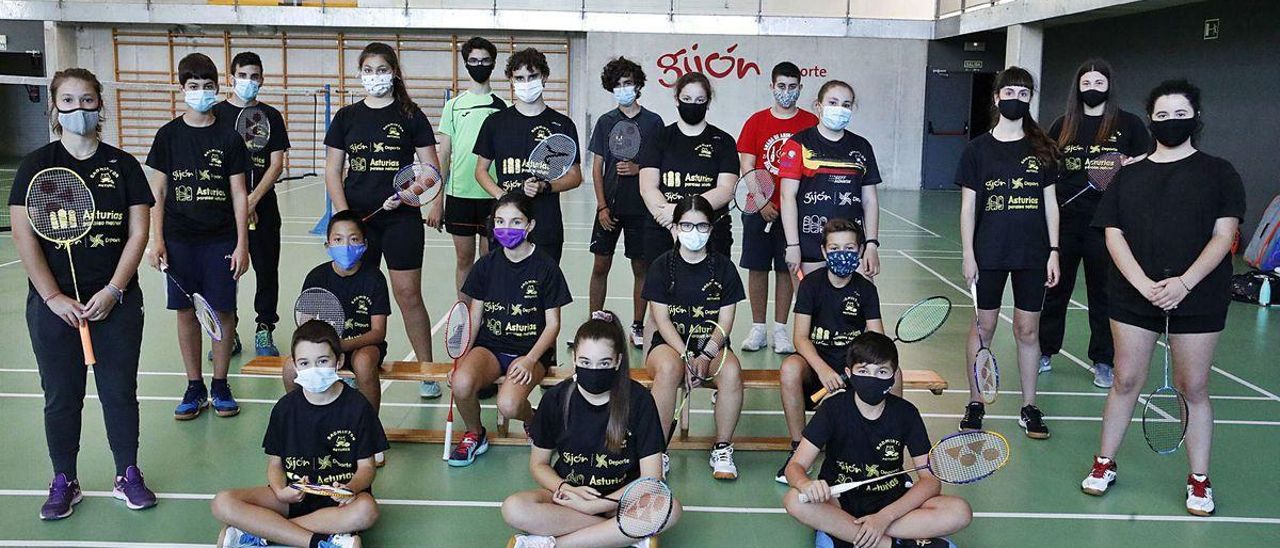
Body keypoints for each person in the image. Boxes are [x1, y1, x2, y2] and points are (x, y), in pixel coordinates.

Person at [1082, 79, 1244, 517]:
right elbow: (1112, 233)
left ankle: (1199, 479)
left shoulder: (1220, 171)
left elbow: (1224, 235)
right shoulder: (1129, 175)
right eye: (1162, 115)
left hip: (1198, 295)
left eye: (1180, 114)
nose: (1171, 121)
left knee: (1194, 388)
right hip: (1134, 296)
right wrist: (1140, 283)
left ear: (1196, 117)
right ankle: (1104, 462)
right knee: (1125, 380)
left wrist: (1184, 284)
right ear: (1150, 120)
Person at [10, 67, 158, 520]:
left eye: (88, 100)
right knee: (61, 394)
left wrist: (115, 289)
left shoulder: (123, 165)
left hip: (115, 303)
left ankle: (127, 472)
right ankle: (64, 479)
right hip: (55, 309)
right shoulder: (37, 166)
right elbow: (24, 235)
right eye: (69, 101)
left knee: (119, 391)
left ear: (100, 106)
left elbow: (138, 232)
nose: (79, 109)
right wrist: (53, 297)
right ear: (55, 108)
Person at [502, 311, 680, 548]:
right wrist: (564, 489)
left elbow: (651, 477)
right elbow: (538, 464)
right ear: (575, 358)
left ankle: (555, 544)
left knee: (670, 510)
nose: (593, 370)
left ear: (617, 361)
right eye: (585, 362)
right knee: (514, 508)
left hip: (622, 499)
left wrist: (600, 504)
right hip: (569, 498)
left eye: (604, 363)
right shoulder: (555, 399)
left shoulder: (639, 400)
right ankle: (624, 534)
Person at [323, 42, 440, 397]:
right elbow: (332, 171)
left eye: (382, 70)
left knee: (407, 294)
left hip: (401, 220)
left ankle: (427, 370)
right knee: (357, 293)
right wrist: (345, 219)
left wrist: (412, 193)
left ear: (394, 73)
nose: (375, 77)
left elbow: (432, 170)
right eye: (368, 70)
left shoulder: (410, 114)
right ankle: (350, 363)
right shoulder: (346, 117)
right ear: (361, 74)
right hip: (358, 223)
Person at [782, 333, 972, 548]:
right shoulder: (832, 410)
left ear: (893, 377)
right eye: (863, 371)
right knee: (794, 500)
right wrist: (805, 483)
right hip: (841, 502)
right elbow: (795, 466)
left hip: (892, 501)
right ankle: (894, 544)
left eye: (881, 371)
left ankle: (849, 533)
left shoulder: (906, 413)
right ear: (848, 373)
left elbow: (930, 480)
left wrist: (884, 518)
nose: (872, 378)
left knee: (959, 511)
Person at [212, 320, 386, 548]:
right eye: (305, 363)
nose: (313, 369)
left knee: (367, 510)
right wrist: (279, 491)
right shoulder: (284, 409)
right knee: (222, 502)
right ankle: (321, 541)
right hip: (293, 497)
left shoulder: (358, 407)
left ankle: (264, 532)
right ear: (294, 365)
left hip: (340, 501)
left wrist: (350, 488)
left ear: (339, 360)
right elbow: (275, 464)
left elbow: (367, 468)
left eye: (322, 361)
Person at [955, 66, 1060, 440]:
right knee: (983, 326)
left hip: (1032, 253)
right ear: (997, 98)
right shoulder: (977, 150)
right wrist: (968, 252)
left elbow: (1051, 204)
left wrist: (1053, 250)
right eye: (1010, 91)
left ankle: (1029, 406)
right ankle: (976, 401)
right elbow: (968, 207)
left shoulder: (1043, 148)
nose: (1017, 97)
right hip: (989, 250)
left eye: (1024, 92)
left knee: (1027, 329)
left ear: (1030, 98)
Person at [147, 52, 250, 420]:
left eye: (207, 86)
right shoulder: (168, 136)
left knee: (223, 312)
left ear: (217, 88)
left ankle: (220, 383)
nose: (201, 92)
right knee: (186, 313)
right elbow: (156, 193)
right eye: (193, 86)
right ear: (182, 89)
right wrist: (155, 240)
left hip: (221, 240)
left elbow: (240, 194)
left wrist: (243, 242)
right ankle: (194, 385)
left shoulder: (229, 138)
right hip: (179, 240)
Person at [1040, 59, 1149, 389]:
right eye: (1085, 84)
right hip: (1066, 220)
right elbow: (1048, 166)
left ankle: (1103, 359)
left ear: (1108, 86)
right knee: (1055, 289)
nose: (1092, 89)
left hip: (1108, 224)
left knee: (1103, 293)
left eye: (1098, 83)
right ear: (1078, 88)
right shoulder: (1063, 124)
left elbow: (1150, 157)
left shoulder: (1127, 124)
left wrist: (1130, 164)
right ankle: (1044, 351)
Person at [447, 193, 573, 467]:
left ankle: (533, 420)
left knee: (509, 405)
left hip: (530, 352)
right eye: (501, 221)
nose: (508, 228)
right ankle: (475, 432)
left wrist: (529, 360)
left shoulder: (546, 267)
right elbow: (475, 316)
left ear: (530, 226)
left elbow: (553, 325)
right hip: (489, 348)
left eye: (516, 221)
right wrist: (461, 358)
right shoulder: (486, 266)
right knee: (461, 383)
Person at [423, 36, 507, 399]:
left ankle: (486, 328)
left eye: (485, 59)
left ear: (493, 63)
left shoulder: (502, 106)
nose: (479, 64)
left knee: (490, 263)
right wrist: (436, 198)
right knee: (464, 260)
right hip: (458, 195)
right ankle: (465, 324)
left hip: (490, 195)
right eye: (473, 59)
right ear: (465, 63)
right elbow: (444, 153)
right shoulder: (454, 106)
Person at [642, 196, 745, 480]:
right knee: (668, 368)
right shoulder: (662, 266)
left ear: (711, 230)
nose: (694, 232)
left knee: (733, 371)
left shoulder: (724, 268)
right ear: (675, 228)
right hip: (669, 346)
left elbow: (726, 322)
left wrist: (706, 354)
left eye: (701, 226)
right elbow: (661, 320)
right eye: (686, 225)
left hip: (710, 347)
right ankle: (657, 452)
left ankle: (722, 448)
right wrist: (687, 356)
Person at [777, 218, 886, 484]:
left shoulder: (866, 290)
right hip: (817, 368)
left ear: (860, 251)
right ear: (824, 252)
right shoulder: (811, 285)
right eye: (835, 249)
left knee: (894, 376)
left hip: (851, 369)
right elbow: (800, 338)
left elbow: (877, 339)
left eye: (849, 249)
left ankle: (883, 456)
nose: (842, 255)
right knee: (790, 368)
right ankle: (798, 449)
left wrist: (856, 369)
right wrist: (823, 370)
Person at [213, 50, 291, 358]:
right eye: (242, 76)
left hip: (263, 207)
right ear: (231, 79)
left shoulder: (271, 116)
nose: (248, 81)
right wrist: (237, 204)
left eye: (254, 76)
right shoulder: (216, 114)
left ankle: (264, 327)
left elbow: (276, 164)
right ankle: (228, 331)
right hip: (222, 209)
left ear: (262, 79)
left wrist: (253, 198)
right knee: (223, 271)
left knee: (266, 268)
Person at [737, 61, 818, 355]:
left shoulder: (810, 123)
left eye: (792, 87)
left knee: (787, 268)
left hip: (795, 211)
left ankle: (781, 329)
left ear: (800, 88)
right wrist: (760, 201)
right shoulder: (756, 122)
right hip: (757, 207)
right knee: (757, 267)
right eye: (781, 86)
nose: (787, 92)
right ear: (772, 87)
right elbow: (747, 164)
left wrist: (790, 206)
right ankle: (758, 328)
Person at [473, 47, 583, 263]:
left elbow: (575, 176)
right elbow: (480, 171)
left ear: (544, 77)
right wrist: (501, 196)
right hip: (507, 222)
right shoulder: (495, 123)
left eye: (532, 76)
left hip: (546, 222)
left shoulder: (563, 124)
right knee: (503, 287)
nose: (526, 83)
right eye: (520, 78)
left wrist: (546, 186)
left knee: (542, 288)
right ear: (511, 81)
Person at [587, 56, 664, 348]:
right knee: (600, 267)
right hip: (610, 207)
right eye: (618, 84)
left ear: (638, 85)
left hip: (641, 210)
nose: (624, 88)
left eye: (628, 83)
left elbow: (659, 165)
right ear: (611, 88)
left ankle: (637, 325)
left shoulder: (653, 122)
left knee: (641, 268)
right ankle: (594, 322)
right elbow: (596, 168)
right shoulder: (606, 122)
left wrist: (638, 168)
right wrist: (602, 206)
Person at [779, 80, 883, 280]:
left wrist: (871, 244)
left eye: (846, 105)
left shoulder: (862, 147)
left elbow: (870, 200)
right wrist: (793, 245)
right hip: (809, 244)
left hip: (852, 246)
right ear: (818, 106)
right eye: (833, 103)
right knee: (809, 308)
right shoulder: (797, 144)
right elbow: (787, 197)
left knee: (856, 306)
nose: (839, 109)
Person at [293, 211, 390, 415]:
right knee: (288, 368)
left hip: (362, 345)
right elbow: (305, 327)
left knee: (363, 363)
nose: (346, 246)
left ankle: (369, 427)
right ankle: (302, 419)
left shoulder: (374, 279)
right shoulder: (316, 277)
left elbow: (378, 332)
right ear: (327, 245)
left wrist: (342, 345)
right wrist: (325, 346)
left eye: (353, 239)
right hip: (324, 346)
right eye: (338, 239)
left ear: (364, 245)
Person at [637, 71, 738, 262]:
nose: (693, 104)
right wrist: (674, 225)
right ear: (677, 100)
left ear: (708, 102)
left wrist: (680, 214)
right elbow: (647, 187)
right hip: (663, 230)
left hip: (711, 231)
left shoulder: (724, 141)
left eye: (700, 100)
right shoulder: (659, 138)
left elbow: (726, 190)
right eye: (687, 98)